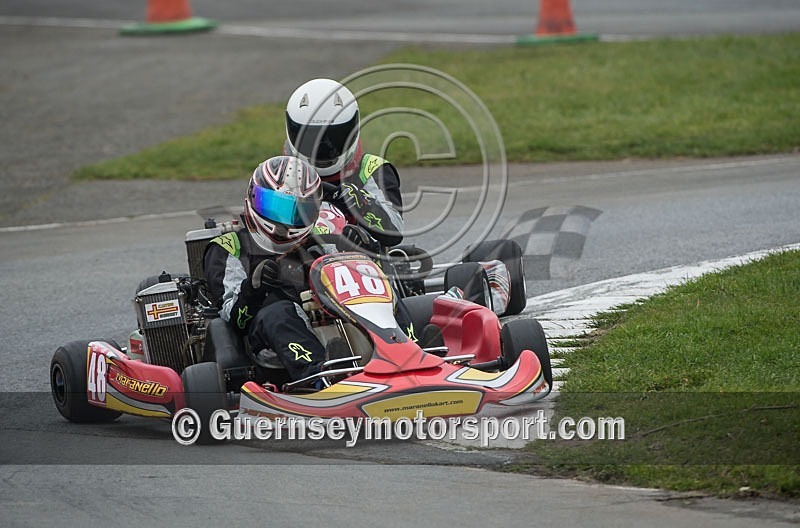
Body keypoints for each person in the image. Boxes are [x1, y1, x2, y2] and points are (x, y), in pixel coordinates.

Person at [203, 155, 329, 383]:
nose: (282, 220)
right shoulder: (230, 247)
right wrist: (254, 288)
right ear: (253, 196)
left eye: (296, 212)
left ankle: (404, 357)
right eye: (273, 205)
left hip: (326, 324)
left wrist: (359, 248)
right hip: (265, 344)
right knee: (279, 313)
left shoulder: (317, 241)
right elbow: (233, 321)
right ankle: (319, 378)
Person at [284, 78, 404, 248]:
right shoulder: (281, 173)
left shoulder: (372, 169)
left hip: (362, 263)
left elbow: (395, 231)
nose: (323, 147)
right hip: (299, 263)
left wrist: (361, 203)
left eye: (333, 138)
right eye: (311, 138)